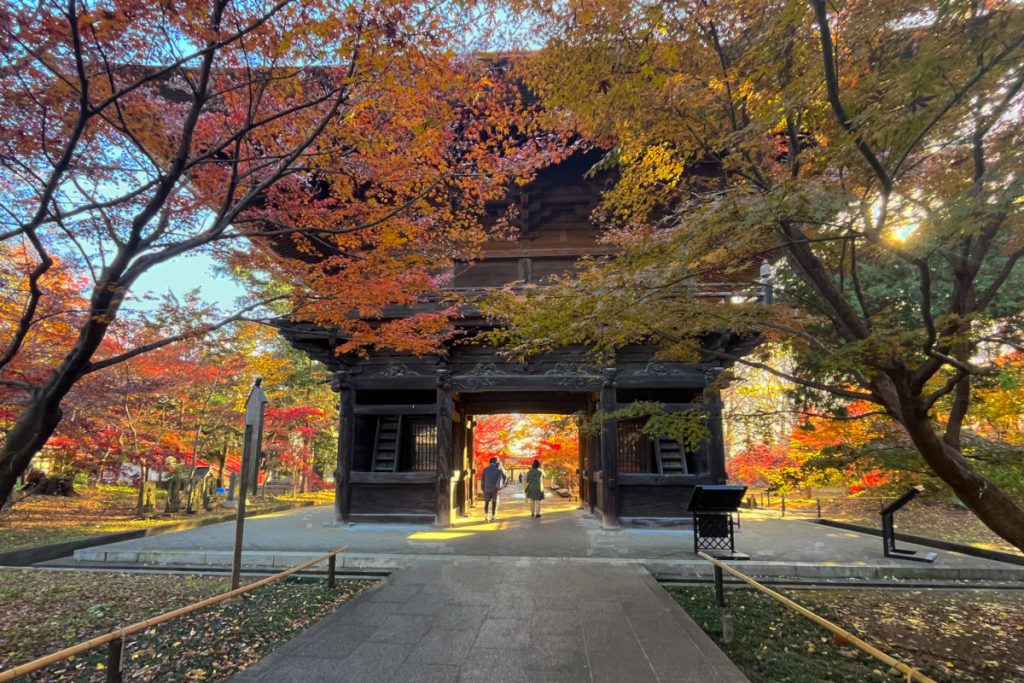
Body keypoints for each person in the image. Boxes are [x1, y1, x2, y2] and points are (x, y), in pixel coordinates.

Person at [481, 456, 507, 522]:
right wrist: (503, 484)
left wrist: (483, 488)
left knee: (486, 503)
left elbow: (482, 480)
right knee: (494, 503)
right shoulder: (498, 469)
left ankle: (486, 517)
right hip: (495, 489)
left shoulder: (485, 469)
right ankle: (493, 516)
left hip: (486, 488)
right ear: (496, 462)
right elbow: (505, 476)